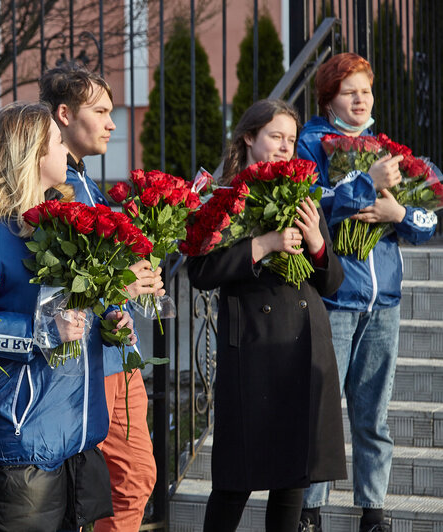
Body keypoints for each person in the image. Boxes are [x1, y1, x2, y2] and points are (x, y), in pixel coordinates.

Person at [0, 101, 136, 532]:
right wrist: (41, 330)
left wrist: (107, 324)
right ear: (30, 154)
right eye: (57, 141)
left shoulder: (60, 229)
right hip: (17, 451)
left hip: (76, 441)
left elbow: (72, 316)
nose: (67, 150)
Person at [186, 99, 347, 531]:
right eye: (275, 136)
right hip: (252, 348)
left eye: (291, 140)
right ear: (249, 137)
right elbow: (199, 271)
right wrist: (264, 244)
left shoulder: (303, 192)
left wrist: (316, 242)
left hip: (303, 344)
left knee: (294, 477)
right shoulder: (222, 196)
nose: (284, 147)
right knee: (235, 478)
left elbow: (333, 282)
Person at [297, 53, 438, 532]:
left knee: (373, 411)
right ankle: (309, 510)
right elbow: (310, 204)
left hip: (385, 302)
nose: (361, 99)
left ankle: (372, 511)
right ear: (328, 97)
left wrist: (396, 215)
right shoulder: (312, 142)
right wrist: (363, 185)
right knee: (322, 410)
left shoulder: (385, 149)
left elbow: (427, 222)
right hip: (335, 298)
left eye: (366, 90)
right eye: (349, 91)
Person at [40, 61, 163, 532]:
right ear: (65, 114)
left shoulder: (88, 185)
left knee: (133, 482)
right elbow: (54, 293)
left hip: (114, 354)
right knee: (124, 485)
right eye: (102, 111)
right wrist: (120, 286)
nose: (113, 123)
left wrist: (132, 292)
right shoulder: (53, 193)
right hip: (86, 364)